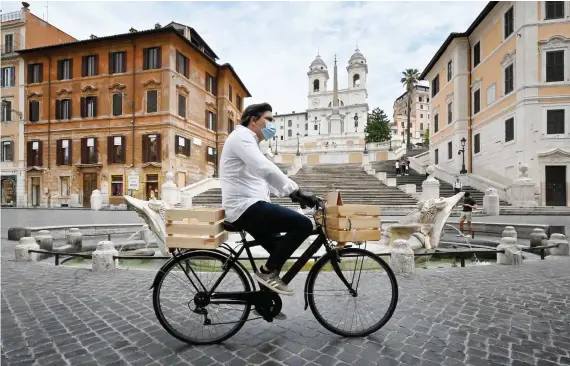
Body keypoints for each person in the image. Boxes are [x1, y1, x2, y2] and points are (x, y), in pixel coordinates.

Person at [219, 102, 318, 296]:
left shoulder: (250, 142)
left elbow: (263, 178)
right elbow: (264, 168)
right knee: (303, 225)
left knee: (278, 250)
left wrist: (294, 195)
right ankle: (266, 274)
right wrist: (294, 190)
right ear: (253, 120)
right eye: (269, 119)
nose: (273, 124)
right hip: (245, 208)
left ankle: (264, 300)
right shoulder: (241, 137)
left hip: (249, 206)